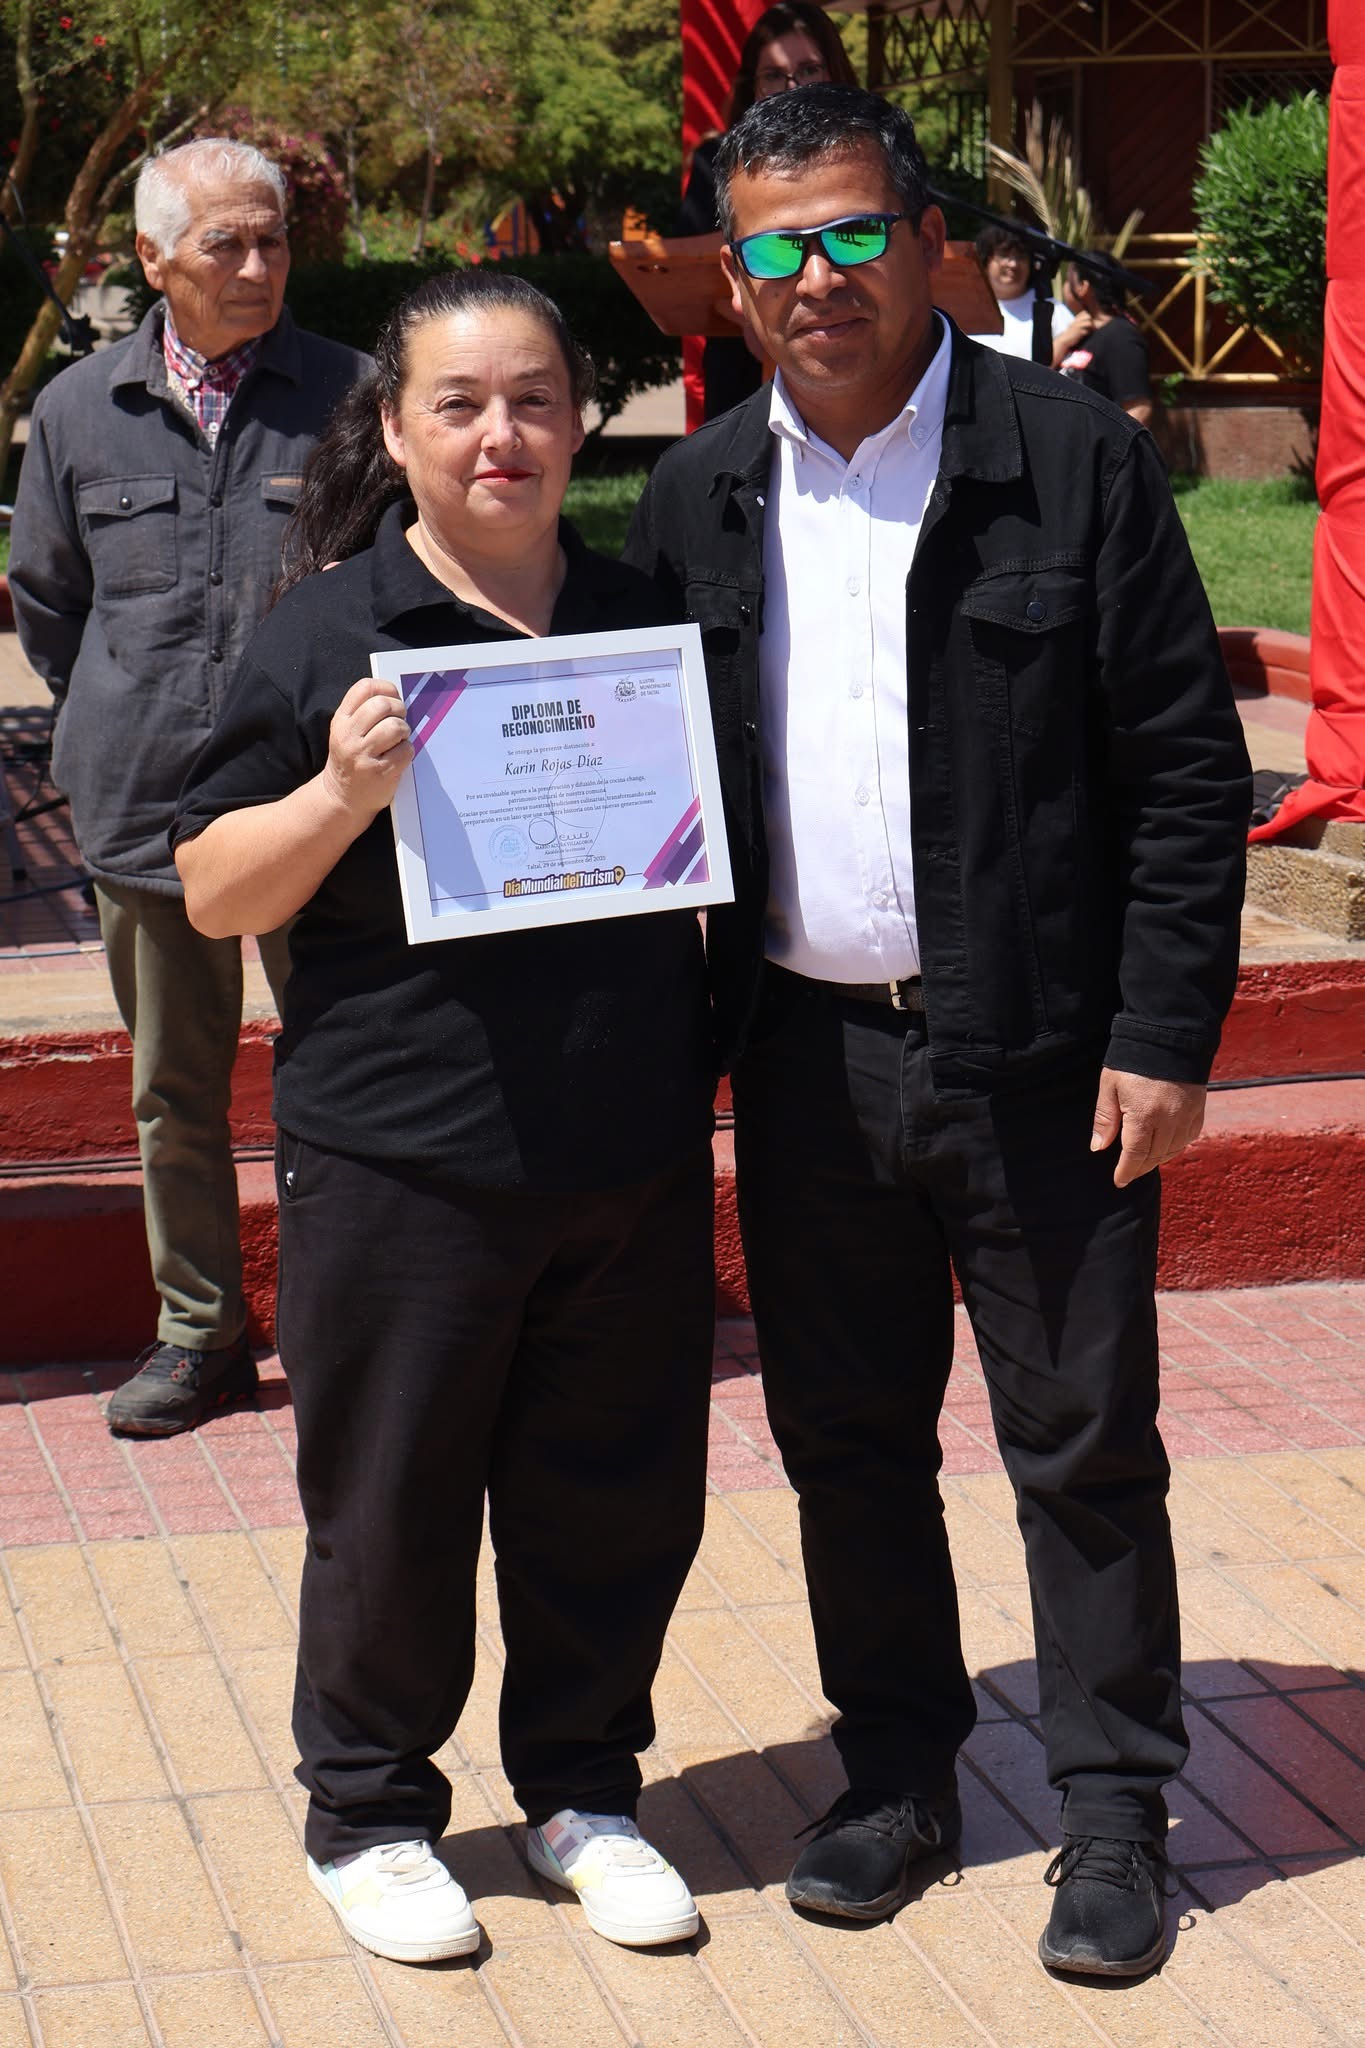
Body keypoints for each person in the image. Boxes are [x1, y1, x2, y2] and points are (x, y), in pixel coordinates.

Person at [624, 84, 1251, 1980]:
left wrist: (1165, 1031)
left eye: (848, 232)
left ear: (923, 239)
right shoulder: (695, 492)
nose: (816, 277)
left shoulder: (1070, 458)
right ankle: (898, 1771)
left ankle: (1119, 1808)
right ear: (731, 286)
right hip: (809, 1060)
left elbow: (1183, 774)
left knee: (1081, 1442)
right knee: (850, 1442)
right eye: (773, 248)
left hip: (1046, 1059)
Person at [171, 269, 716, 1964]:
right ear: (397, 430)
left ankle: (581, 1789)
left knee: (611, 1492)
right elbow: (206, 886)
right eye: (462, 404)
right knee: (396, 1498)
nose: (504, 434)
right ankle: (373, 1809)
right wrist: (340, 790)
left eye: (537, 398)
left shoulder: (642, 616)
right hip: (405, 1157)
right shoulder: (328, 632)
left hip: (621, 1151)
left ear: (576, 418)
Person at [8, 138, 369, 1437]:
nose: (261, 266)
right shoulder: (73, 411)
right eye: (228, 244)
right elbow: (51, 610)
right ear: (153, 259)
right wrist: (131, 706)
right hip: (144, 802)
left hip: (315, 810)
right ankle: (200, 1332)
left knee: (345, 1070)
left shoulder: (352, 397)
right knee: (174, 1087)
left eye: (274, 240)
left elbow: (392, 592)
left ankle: (349, 1323)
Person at [678, 0, 858, 421]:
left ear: (835, 72)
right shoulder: (716, 162)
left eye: (809, 69)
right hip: (742, 372)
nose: (792, 88)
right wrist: (750, 315)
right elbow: (686, 269)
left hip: (855, 359)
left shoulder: (874, 159)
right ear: (752, 86)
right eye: (774, 76)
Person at [1055, 252, 1153, 426]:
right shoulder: (1079, 334)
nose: (1064, 286)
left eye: (1068, 281)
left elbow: (1139, 408)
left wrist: (1107, 452)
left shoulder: (1121, 335)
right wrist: (1063, 341)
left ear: (1082, 288)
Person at [968, 219, 1072, 364]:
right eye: (1004, 255)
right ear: (986, 259)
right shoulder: (966, 308)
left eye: (1021, 256)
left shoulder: (1053, 310)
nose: (1013, 264)